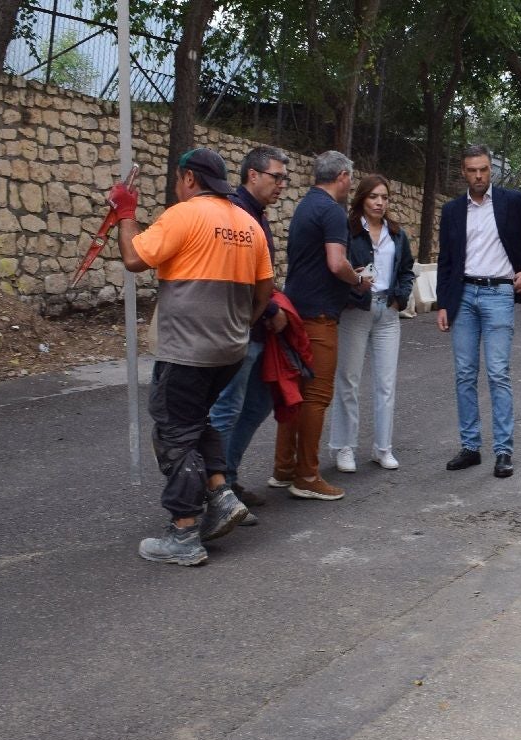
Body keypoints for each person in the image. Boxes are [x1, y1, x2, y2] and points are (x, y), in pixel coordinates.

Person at [110, 147, 273, 565]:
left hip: (187, 350)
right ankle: (220, 495)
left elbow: (134, 258)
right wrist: (240, 325)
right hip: (230, 350)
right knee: (195, 421)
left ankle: (183, 531)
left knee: (172, 433)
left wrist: (126, 212)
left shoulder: (184, 215)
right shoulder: (248, 224)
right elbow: (265, 291)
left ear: (188, 179)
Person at [436, 144, 521, 478]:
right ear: (463, 172)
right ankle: (471, 447)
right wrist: (443, 303)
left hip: (499, 293)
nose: (478, 176)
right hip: (463, 295)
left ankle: (503, 450)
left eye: (484, 169)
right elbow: (446, 260)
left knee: (498, 372)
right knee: (464, 373)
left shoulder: (511, 202)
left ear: (491, 170)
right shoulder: (452, 211)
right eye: (472, 170)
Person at [208, 145, 290, 524]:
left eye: (284, 178)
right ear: (252, 175)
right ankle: (216, 494)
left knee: (256, 405)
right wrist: (271, 308)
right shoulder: (238, 214)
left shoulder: (255, 213)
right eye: (277, 176)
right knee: (226, 409)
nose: (282, 184)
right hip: (240, 329)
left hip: (255, 329)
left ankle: (230, 480)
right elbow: (239, 275)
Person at [271, 150, 359, 501]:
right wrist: (358, 281)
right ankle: (307, 475)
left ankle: (284, 468)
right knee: (317, 396)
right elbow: (337, 263)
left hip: (294, 310)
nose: (351, 184)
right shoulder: (333, 211)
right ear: (341, 176)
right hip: (320, 316)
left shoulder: (306, 206)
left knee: (294, 392)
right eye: (350, 178)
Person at [328, 175, 416, 472]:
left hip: (387, 313)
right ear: (362, 199)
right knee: (349, 380)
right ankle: (344, 448)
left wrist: (400, 298)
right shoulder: (348, 230)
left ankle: (383, 448)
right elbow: (337, 269)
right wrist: (354, 289)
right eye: (374, 197)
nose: (380, 202)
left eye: (385, 197)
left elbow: (406, 270)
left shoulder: (396, 233)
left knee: (386, 384)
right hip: (356, 311)